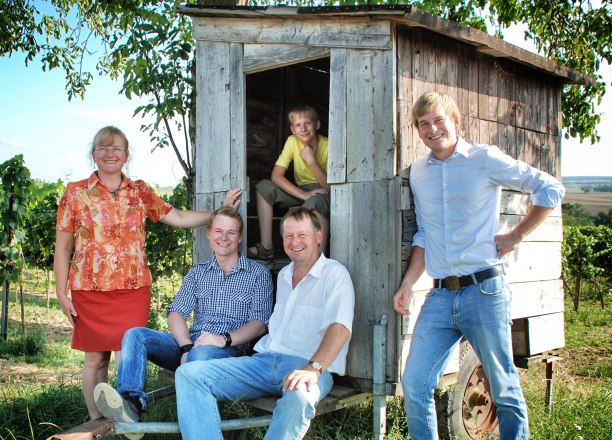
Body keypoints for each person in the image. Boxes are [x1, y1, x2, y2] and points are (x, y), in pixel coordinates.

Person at [393, 91, 565, 440]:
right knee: (414, 384)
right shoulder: (419, 174)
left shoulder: (484, 159)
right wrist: (409, 283)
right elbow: (425, 235)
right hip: (440, 297)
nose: (431, 129)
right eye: (423, 124)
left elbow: (549, 188)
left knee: (502, 385)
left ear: (455, 121)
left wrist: (515, 235)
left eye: (438, 120)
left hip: (485, 291)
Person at [54, 125, 242, 421]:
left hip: (132, 289)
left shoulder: (139, 192)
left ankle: (127, 415)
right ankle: (98, 423)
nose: (110, 154)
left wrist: (219, 213)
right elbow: (63, 248)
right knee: (95, 361)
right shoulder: (75, 193)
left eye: (116, 149)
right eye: (103, 148)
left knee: (127, 356)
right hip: (89, 290)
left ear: (126, 155)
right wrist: (61, 294)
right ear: (93, 155)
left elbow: (177, 216)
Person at [176, 207, 355, 440]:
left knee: (299, 397)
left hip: (306, 367)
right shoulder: (283, 275)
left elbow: (339, 327)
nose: (295, 241)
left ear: (318, 236)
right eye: (289, 236)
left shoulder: (334, 274)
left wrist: (313, 369)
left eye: (302, 235)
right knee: (189, 373)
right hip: (264, 362)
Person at [92, 206, 274, 431]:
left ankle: (198, 426)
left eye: (231, 232)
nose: (223, 238)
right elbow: (176, 312)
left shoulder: (258, 274)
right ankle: (132, 404)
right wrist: (186, 347)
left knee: (202, 352)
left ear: (240, 237)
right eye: (218, 231)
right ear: (208, 233)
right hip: (191, 345)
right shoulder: (198, 273)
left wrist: (223, 339)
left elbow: (259, 324)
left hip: (229, 351)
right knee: (135, 335)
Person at [248, 103, 331, 259]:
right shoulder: (292, 141)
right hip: (303, 191)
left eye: (307, 123)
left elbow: (330, 186)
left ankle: (319, 257)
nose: (303, 129)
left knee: (314, 203)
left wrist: (311, 161)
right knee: (264, 187)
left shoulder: (327, 146)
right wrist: (303, 195)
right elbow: (276, 176)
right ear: (293, 129)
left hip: (323, 192)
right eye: (298, 125)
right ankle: (266, 247)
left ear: (317, 124)